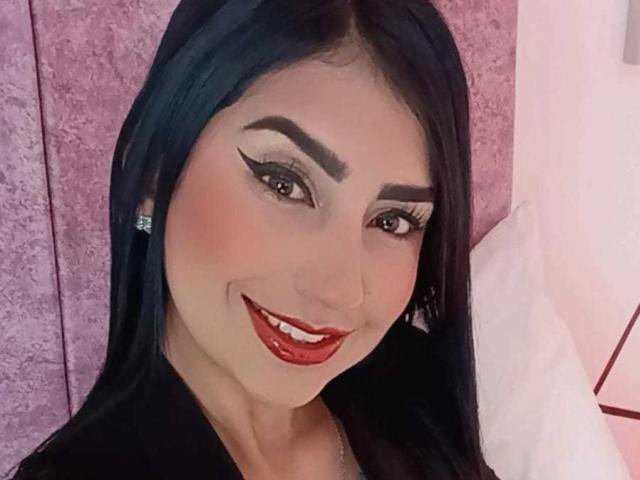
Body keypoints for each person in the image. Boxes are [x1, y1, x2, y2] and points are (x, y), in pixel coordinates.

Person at [8, 0, 501, 478]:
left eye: (392, 221)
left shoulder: (418, 403)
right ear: (153, 175)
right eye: (284, 184)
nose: (339, 291)